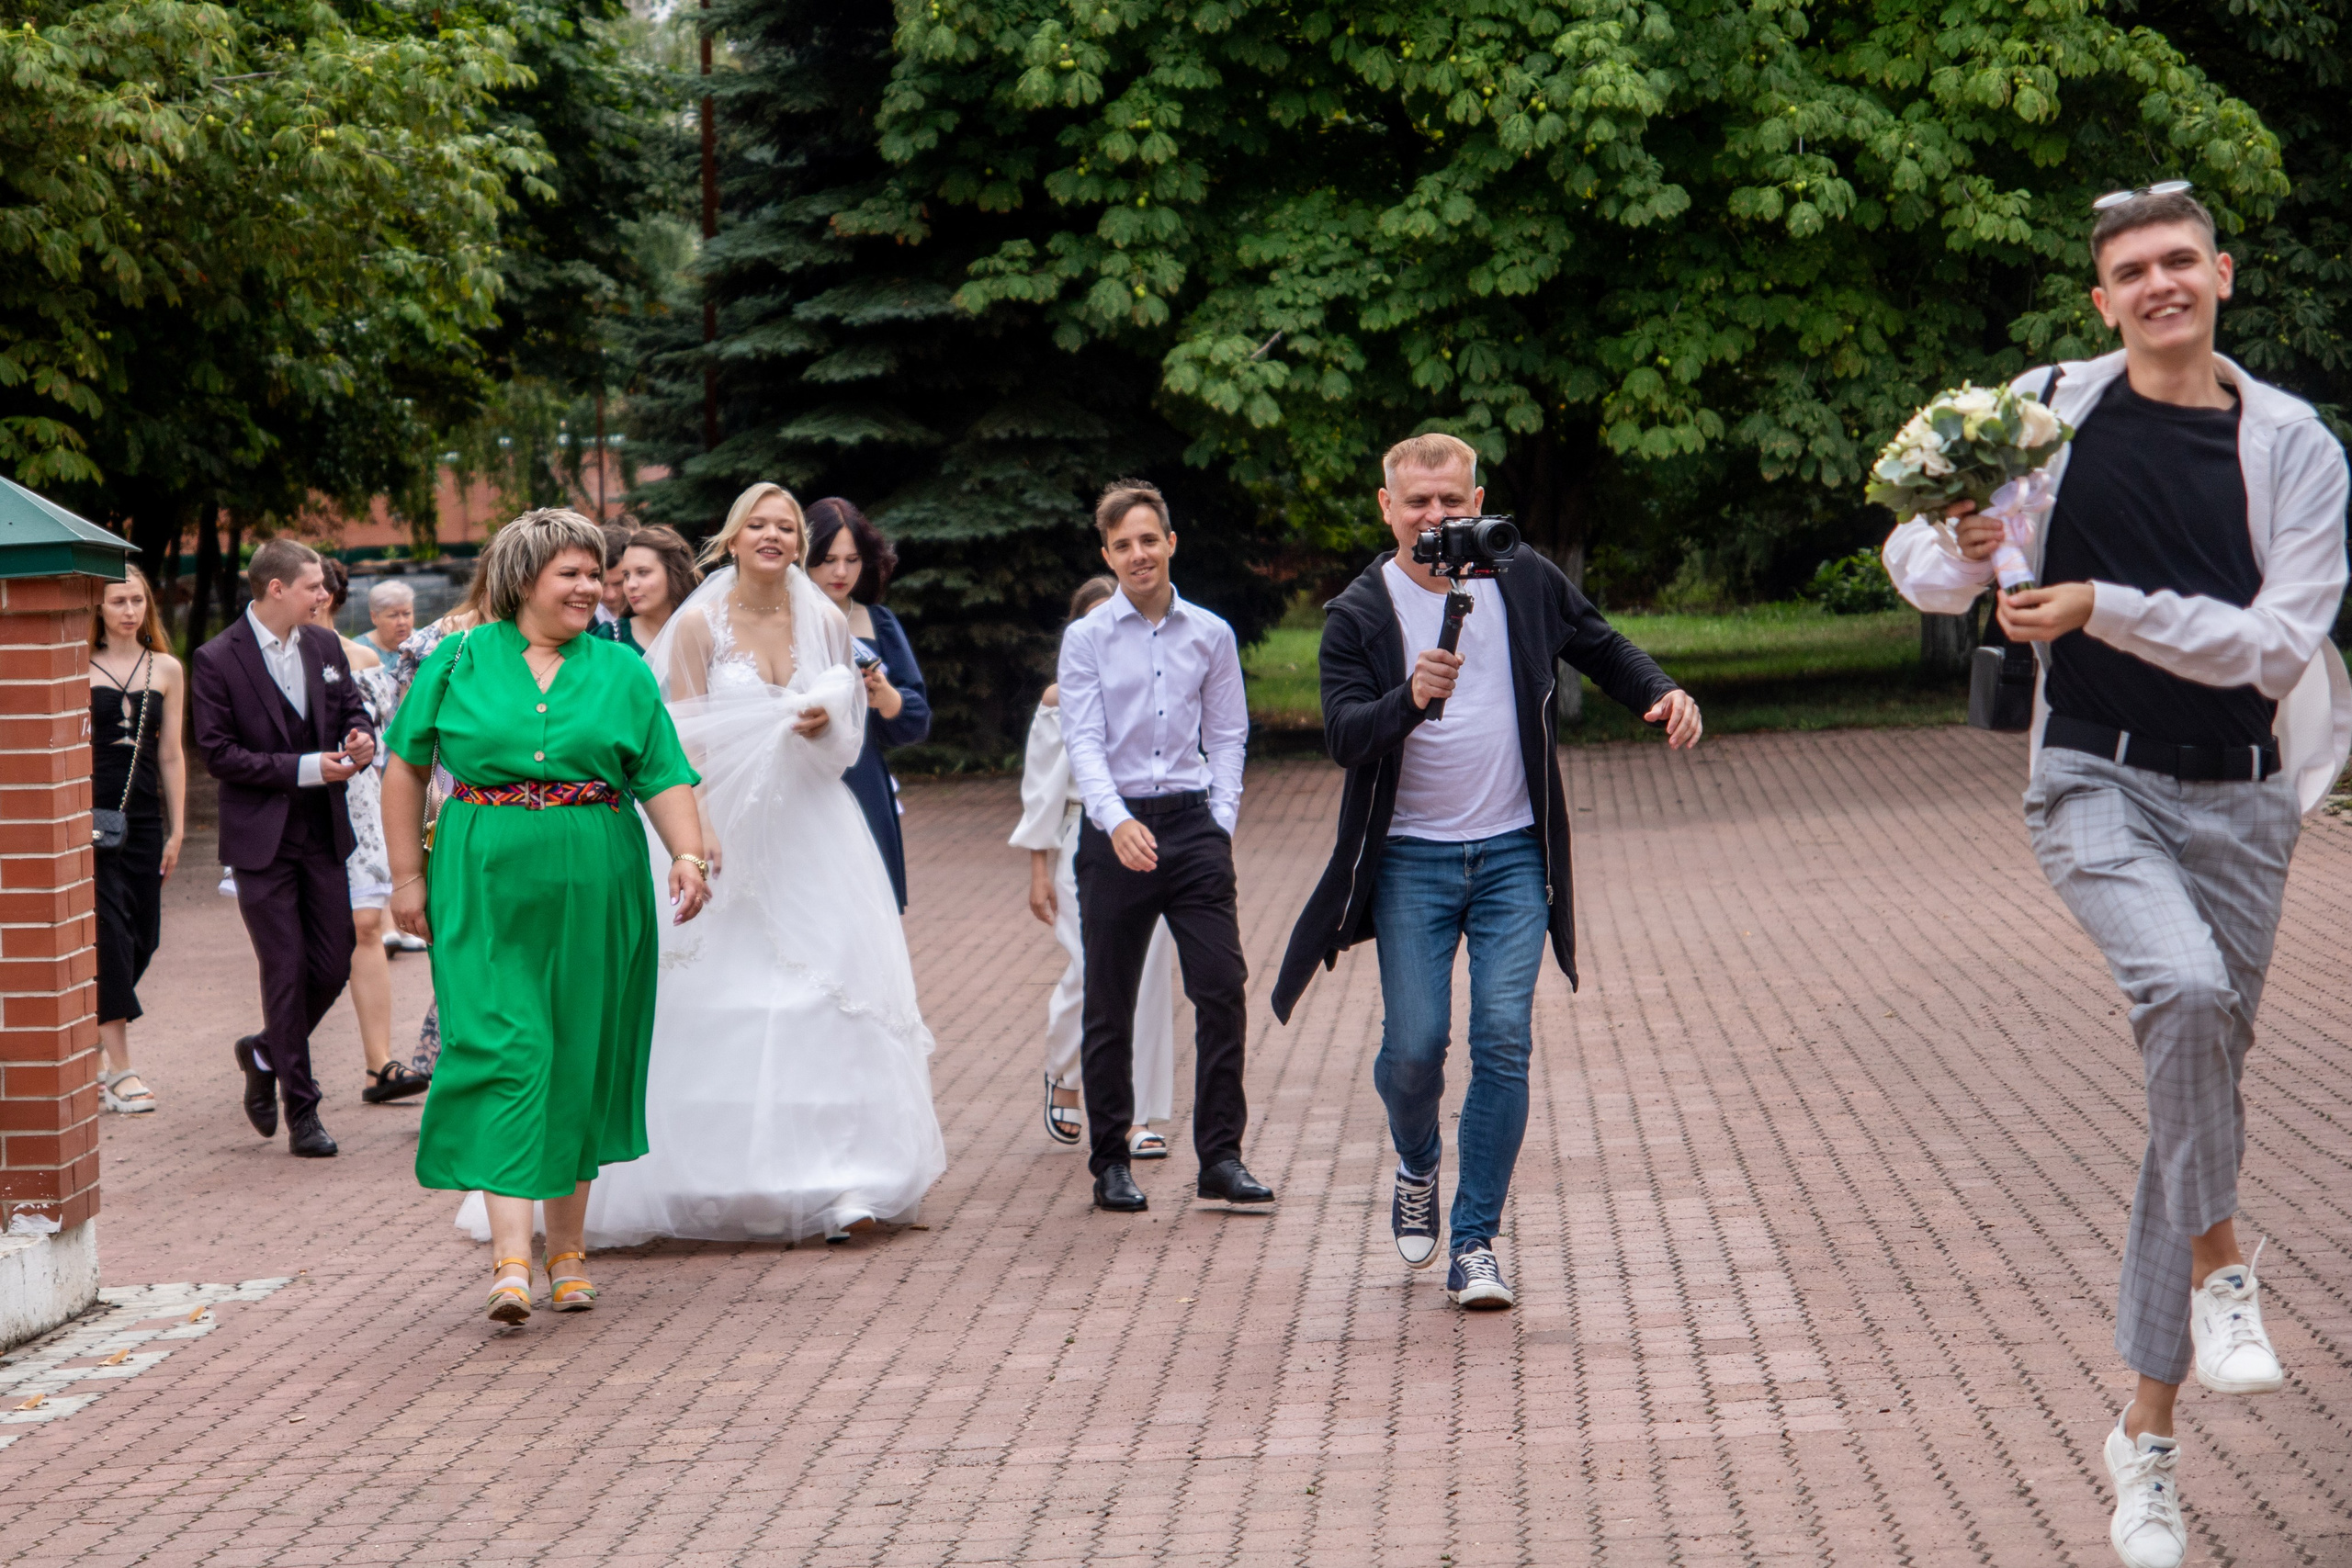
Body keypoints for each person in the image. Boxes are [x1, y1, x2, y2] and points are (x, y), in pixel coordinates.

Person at [1883, 185, 2349, 1568]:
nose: (2159, 284)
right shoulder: (2042, 410)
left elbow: (2278, 646)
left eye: (2178, 261)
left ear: (2222, 274)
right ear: (2102, 299)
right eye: (2131, 270)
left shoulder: (2293, 444)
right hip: (2092, 776)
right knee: (2184, 996)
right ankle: (2223, 1266)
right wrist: (1959, 545)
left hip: (2248, 798)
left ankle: (2145, 1438)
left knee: (2186, 1091)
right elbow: (1917, 565)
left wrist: (2105, 607)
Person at [1272, 434, 1700, 1312]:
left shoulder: (1521, 573)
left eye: (1450, 500)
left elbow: (1600, 642)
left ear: (1476, 500)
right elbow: (1345, 737)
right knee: (1415, 1049)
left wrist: (1659, 691)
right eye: (1417, 502)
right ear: (1386, 508)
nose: (1435, 516)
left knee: (1503, 1038)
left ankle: (1475, 1242)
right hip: (1410, 860)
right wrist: (1410, 697)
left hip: (1513, 852)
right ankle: (1418, 1161)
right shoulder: (1360, 612)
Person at [548, 481, 945, 1248]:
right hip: (724, 819)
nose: (772, 536)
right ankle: (705, 1175)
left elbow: (852, 732)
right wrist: (696, 826)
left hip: (812, 826)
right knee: (724, 995)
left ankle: (845, 1178)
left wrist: (827, 720)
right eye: (757, 525)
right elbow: (678, 735)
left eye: (785, 527)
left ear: (798, 543)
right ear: (732, 539)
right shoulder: (700, 624)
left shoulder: (825, 619)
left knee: (828, 990)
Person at [383, 508, 709, 1326]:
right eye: (573, 573)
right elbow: (405, 768)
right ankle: (510, 1260)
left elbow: (662, 772)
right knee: (507, 1049)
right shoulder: (457, 660)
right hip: (482, 882)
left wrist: (688, 853)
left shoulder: (622, 669)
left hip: (598, 880)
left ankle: (568, 1252)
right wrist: (407, 876)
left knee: (575, 1054)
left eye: (596, 574)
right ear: (524, 577)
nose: (592, 587)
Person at [1058, 479, 1268, 1216]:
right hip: (1114, 832)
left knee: (1222, 987)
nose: (1138, 553)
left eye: (1149, 539)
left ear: (1171, 542)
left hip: (1192, 826)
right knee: (1109, 1003)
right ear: (1107, 555)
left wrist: (1221, 820)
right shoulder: (1087, 639)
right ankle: (1111, 1162)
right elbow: (1082, 740)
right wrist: (1115, 820)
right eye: (1123, 545)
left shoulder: (1210, 633)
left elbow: (1230, 733)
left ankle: (1221, 1157)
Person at [190, 539, 379, 1157]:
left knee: (333, 961)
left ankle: (265, 1051)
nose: (325, 594)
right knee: (285, 967)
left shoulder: (324, 646)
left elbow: (352, 710)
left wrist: (361, 738)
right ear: (277, 589)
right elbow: (217, 753)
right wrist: (304, 767)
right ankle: (304, 1111)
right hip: (261, 842)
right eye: (314, 586)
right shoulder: (217, 658)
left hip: (323, 833)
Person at [1012, 576, 1177, 1159]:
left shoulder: (1159, 682)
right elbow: (1041, 788)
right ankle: (1064, 1069)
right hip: (1081, 837)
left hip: (1152, 833)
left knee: (1148, 978)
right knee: (1092, 969)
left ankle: (1135, 1116)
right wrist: (1038, 869)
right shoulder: (1062, 697)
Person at [309, 562, 426, 1104]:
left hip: (360, 802)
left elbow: (391, 740)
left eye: (323, 589)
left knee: (366, 926)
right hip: (300, 802)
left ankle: (379, 1065)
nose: (317, 598)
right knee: (307, 943)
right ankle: (277, 1050)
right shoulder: (269, 659)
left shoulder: (363, 659)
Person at [89, 566, 186, 1115]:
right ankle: (121, 1071)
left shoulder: (166, 668)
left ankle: (93, 1033)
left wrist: (178, 828)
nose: (129, 611)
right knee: (110, 937)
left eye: (138, 600)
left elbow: (171, 753)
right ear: (97, 608)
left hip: (144, 819)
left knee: (144, 937)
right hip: (88, 817)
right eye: (118, 601)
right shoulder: (76, 664)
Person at [390, 563, 492, 1075]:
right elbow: (409, 748)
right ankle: (456, 1055)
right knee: (460, 945)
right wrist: (409, 869)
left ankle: (450, 1056)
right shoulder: (438, 643)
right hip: (447, 804)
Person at [806, 498, 931, 909]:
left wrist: (889, 699)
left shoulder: (879, 622)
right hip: (800, 781)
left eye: (852, 560)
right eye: (828, 560)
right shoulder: (778, 620)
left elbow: (916, 720)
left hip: (862, 778)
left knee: (868, 911)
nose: (841, 572)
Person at [605, 525, 698, 656]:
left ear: (674, 572)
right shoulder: (609, 638)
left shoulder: (710, 631)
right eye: (626, 575)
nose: (631, 584)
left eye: (642, 572)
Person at [356, 578, 415, 663]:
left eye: (407, 614)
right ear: (374, 617)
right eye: (393, 616)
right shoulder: (357, 651)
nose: (402, 622)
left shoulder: (428, 644)